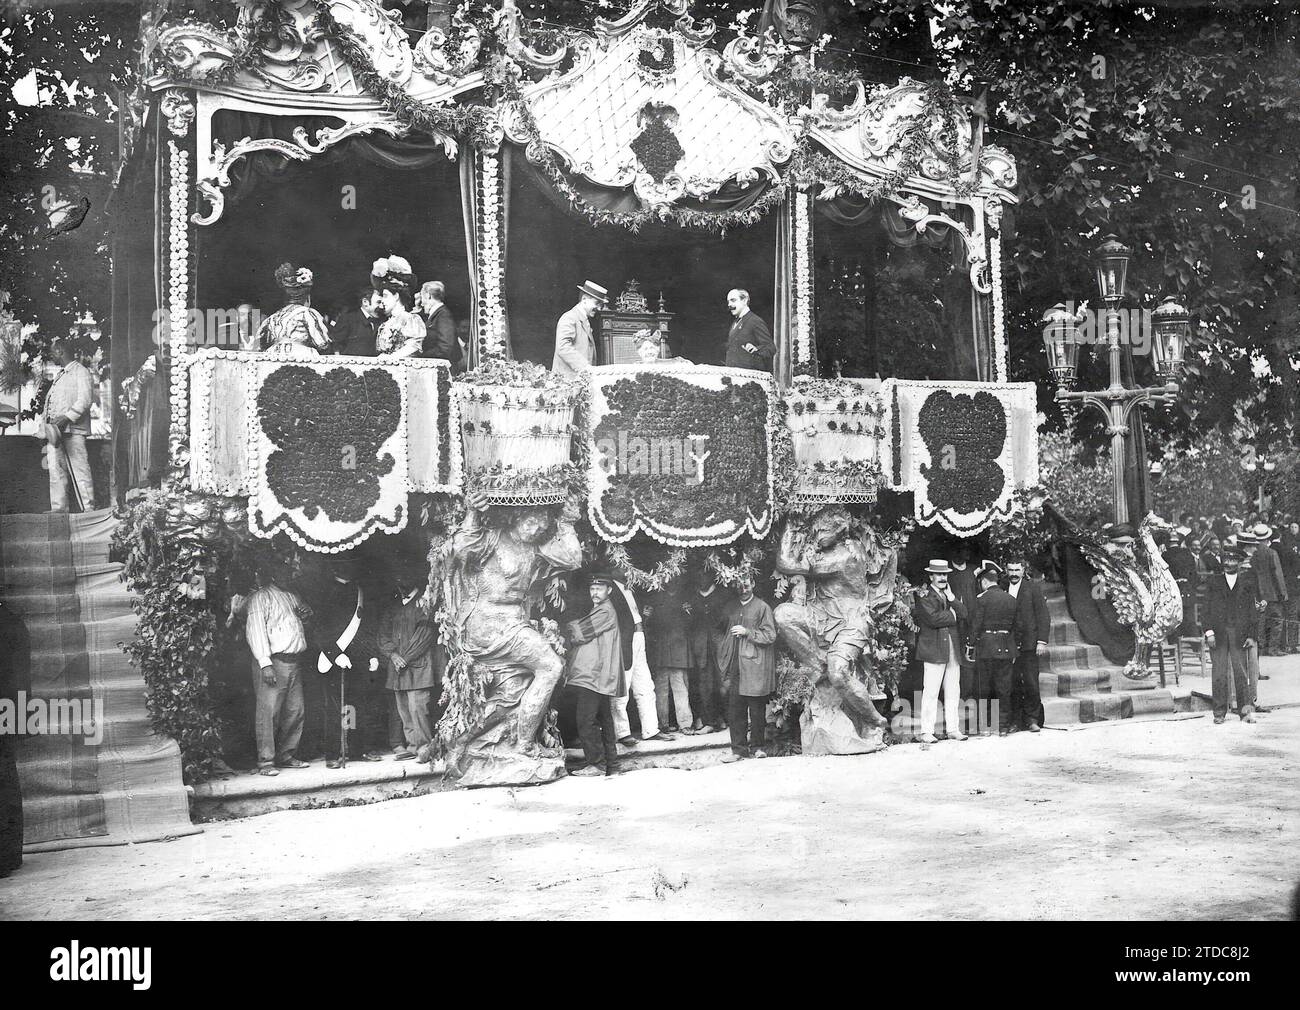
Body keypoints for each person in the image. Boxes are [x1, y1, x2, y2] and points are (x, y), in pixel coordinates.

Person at [244, 560, 311, 775]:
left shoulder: (292, 596)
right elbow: (255, 631)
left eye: (290, 571)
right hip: (274, 662)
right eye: (284, 570)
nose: (289, 575)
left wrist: (307, 616)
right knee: (268, 713)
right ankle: (266, 762)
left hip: (294, 662)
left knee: (295, 710)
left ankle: (286, 755)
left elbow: (298, 627)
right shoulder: (260, 597)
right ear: (273, 572)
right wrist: (265, 663)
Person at [565, 573, 626, 776]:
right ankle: (612, 765)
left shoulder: (605, 612)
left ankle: (596, 765)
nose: (595, 593)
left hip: (594, 674)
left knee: (585, 719)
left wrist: (561, 628)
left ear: (609, 590)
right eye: (592, 589)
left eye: (599, 589)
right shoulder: (601, 609)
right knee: (605, 719)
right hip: (600, 674)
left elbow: (581, 633)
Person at [376, 571, 438, 763]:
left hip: (418, 668)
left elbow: (424, 637)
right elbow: (382, 636)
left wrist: (405, 658)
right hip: (397, 669)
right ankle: (412, 746)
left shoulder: (424, 603)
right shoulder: (394, 606)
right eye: (397, 579)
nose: (400, 581)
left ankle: (424, 749)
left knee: (418, 710)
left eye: (404, 577)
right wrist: (393, 656)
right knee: (404, 710)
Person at [715, 571, 777, 762]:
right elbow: (718, 630)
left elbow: (770, 635)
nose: (743, 589)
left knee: (756, 709)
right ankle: (738, 751)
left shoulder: (762, 607)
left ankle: (758, 747)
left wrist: (747, 632)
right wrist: (722, 648)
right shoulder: (730, 607)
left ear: (753, 584)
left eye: (747, 585)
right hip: (735, 664)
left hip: (754, 665)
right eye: (740, 586)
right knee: (735, 709)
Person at [610, 579, 673, 745]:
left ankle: (651, 729)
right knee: (622, 687)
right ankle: (622, 733)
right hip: (623, 641)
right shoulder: (608, 586)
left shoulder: (631, 585)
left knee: (645, 684)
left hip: (639, 637)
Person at [913, 560, 968, 743]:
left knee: (954, 690)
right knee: (931, 691)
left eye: (945, 574)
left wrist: (952, 599)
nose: (943, 577)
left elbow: (964, 614)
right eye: (939, 574)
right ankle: (926, 731)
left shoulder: (949, 595)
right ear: (931, 576)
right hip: (934, 649)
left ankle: (953, 729)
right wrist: (952, 615)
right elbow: (932, 619)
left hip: (952, 649)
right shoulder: (924, 595)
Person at [1203, 547, 1258, 724]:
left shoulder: (1247, 583)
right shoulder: (1213, 582)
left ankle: (1245, 712)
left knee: (1241, 673)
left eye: (1233, 560)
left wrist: (1251, 635)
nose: (1228, 563)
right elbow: (1206, 608)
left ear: (1239, 563)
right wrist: (1209, 632)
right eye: (1225, 559)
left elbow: (1251, 611)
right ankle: (1219, 713)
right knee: (1219, 673)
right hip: (1217, 633)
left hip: (1239, 633)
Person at [42, 334, 95, 513]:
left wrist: (66, 418)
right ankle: (59, 513)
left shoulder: (81, 371)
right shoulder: (60, 375)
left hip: (74, 431)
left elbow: (85, 400)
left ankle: (88, 512)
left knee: (81, 473)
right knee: (56, 473)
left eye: (52, 352)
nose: (51, 356)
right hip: (56, 434)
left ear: (60, 350)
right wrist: (46, 429)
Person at [967, 561, 1018, 736]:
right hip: (1005, 646)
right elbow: (1016, 626)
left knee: (984, 688)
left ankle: (985, 727)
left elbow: (976, 625)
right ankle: (1002, 726)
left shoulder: (981, 599)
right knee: (1004, 688)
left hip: (986, 647)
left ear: (985, 582)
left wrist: (970, 645)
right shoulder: (1010, 599)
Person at [644, 581, 694, 734]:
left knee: (680, 688)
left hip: (677, 649)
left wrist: (688, 613)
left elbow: (691, 624)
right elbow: (649, 626)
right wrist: (646, 617)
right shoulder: (655, 600)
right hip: (663, 650)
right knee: (662, 690)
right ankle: (662, 723)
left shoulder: (685, 600)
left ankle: (684, 724)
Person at [687, 569, 732, 733]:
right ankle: (710, 722)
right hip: (701, 645)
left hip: (719, 642)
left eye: (704, 574)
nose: (701, 578)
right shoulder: (693, 597)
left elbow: (728, 618)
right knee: (705, 683)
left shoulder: (723, 595)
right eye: (698, 575)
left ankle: (727, 718)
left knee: (724, 680)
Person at [1007, 559, 1049, 732]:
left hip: (1030, 644)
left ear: (1023, 571)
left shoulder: (1033, 588)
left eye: (1017, 570)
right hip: (1010, 645)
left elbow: (1043, 616)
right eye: (1011, 570)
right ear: (1006, 571)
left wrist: (1041, 641)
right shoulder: (1003, 587)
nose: (1014, 573)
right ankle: (1016, 721)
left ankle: (1032, 719)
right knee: (1013, 683)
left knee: (1031, 682)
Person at [257, 263, 332, 357]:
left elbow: (260, 344)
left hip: (273, 357)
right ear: (307, 297)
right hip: (300, 357)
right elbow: (322, 343)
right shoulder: (307, 313)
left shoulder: (272, 317)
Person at [1246, 524, 1288, 655]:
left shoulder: (1252, 553)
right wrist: (1283, 593)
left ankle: (1261, 648)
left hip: (1257, 593)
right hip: (1272, 593)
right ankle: (1273, 648)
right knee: (1276, 620)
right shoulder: (1271, 553)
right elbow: (1278, 575)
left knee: (1260, 621)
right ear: (1268, 537)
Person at [372, 255, 426, 357]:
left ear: (396, 296)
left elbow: (414, 346)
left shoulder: (410, 319)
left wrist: (392, 358)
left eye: (385, 296)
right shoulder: (386, 323)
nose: (382, 301)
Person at [552, 280, 607, 375]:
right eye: (596, 303)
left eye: (600, 305)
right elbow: (563, 347)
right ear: (584, 299)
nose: (599, 308)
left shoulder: (584, 320)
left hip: (581, 380)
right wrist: (585, 368)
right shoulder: (569, 318)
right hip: (567, 382)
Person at [723, 288, 774, 372]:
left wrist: (756, 349)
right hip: (733, 374)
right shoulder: (735, 323)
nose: (729, 304)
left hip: (748, 375)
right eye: (728, 301)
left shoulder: (755, 321)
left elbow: (770, 347)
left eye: (733, 300)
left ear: (744, 300)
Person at [1162, 529, 1200, 637]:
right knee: (1189, 618)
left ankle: (1175, 645)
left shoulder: (1165, 555)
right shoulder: (1188, 554)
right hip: (1187, 589)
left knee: (1173, 619)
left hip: (1172, 590)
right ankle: (1196, 647)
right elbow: (1194, 576)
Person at [417, 280, 463, 371]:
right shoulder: (436, 314)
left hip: (444, 369)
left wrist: (420, 356)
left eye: (422, 297)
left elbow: (445, 348)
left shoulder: (443, 314)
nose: (421, 303)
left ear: (428, 296)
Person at [329, 287, 379, 357]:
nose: (381, 306)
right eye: (378, 302)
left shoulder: (380, 322)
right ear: (365, 302)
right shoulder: (349, 319)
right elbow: (335, 344)